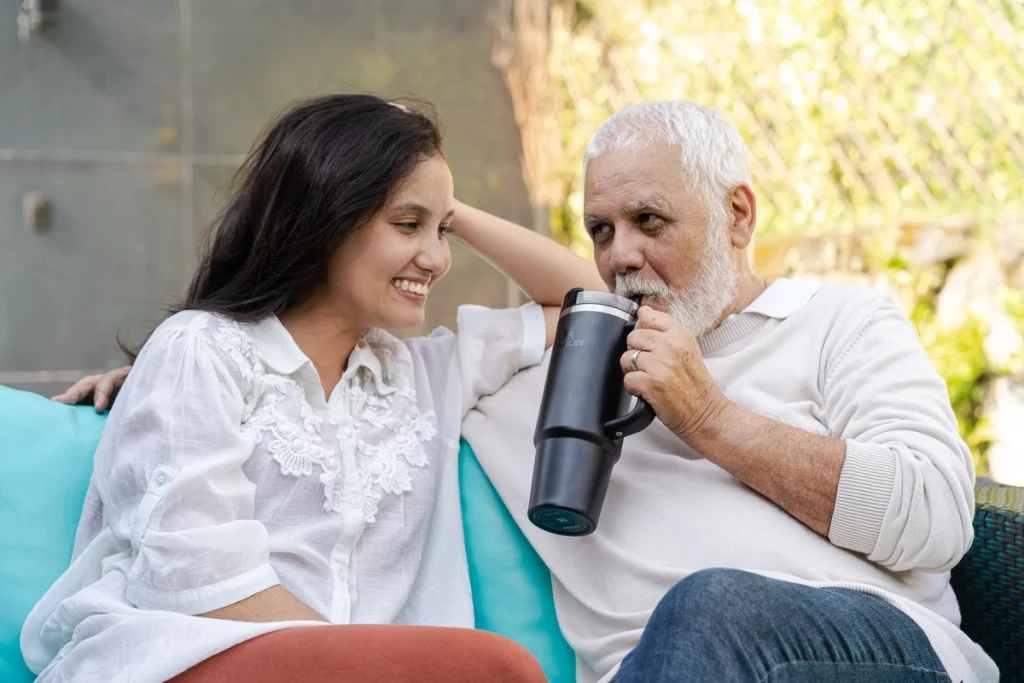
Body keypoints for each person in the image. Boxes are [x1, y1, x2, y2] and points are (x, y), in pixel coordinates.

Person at [53, 100, 1000, 683]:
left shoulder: (840, 324)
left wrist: (708, 416)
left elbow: (937, 520)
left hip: (865, 655)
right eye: (600, 226)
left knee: (712, 607)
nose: (621, 254)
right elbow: (579, 301)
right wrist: (167, 375)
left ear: (740, 214)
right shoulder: (534, 374)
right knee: (683, 630)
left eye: (650, 220)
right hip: (658, 670)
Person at [24, 94, 607, 683]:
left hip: (351, 669)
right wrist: (366, 667)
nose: (436, 258)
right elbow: (195, 578)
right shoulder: (201, 349)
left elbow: (595, 305)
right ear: (327, 215)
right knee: (498, 670)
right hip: (184, 658)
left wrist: (436, 193)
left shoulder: (424, 376)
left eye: (443, 230)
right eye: (408, 225)